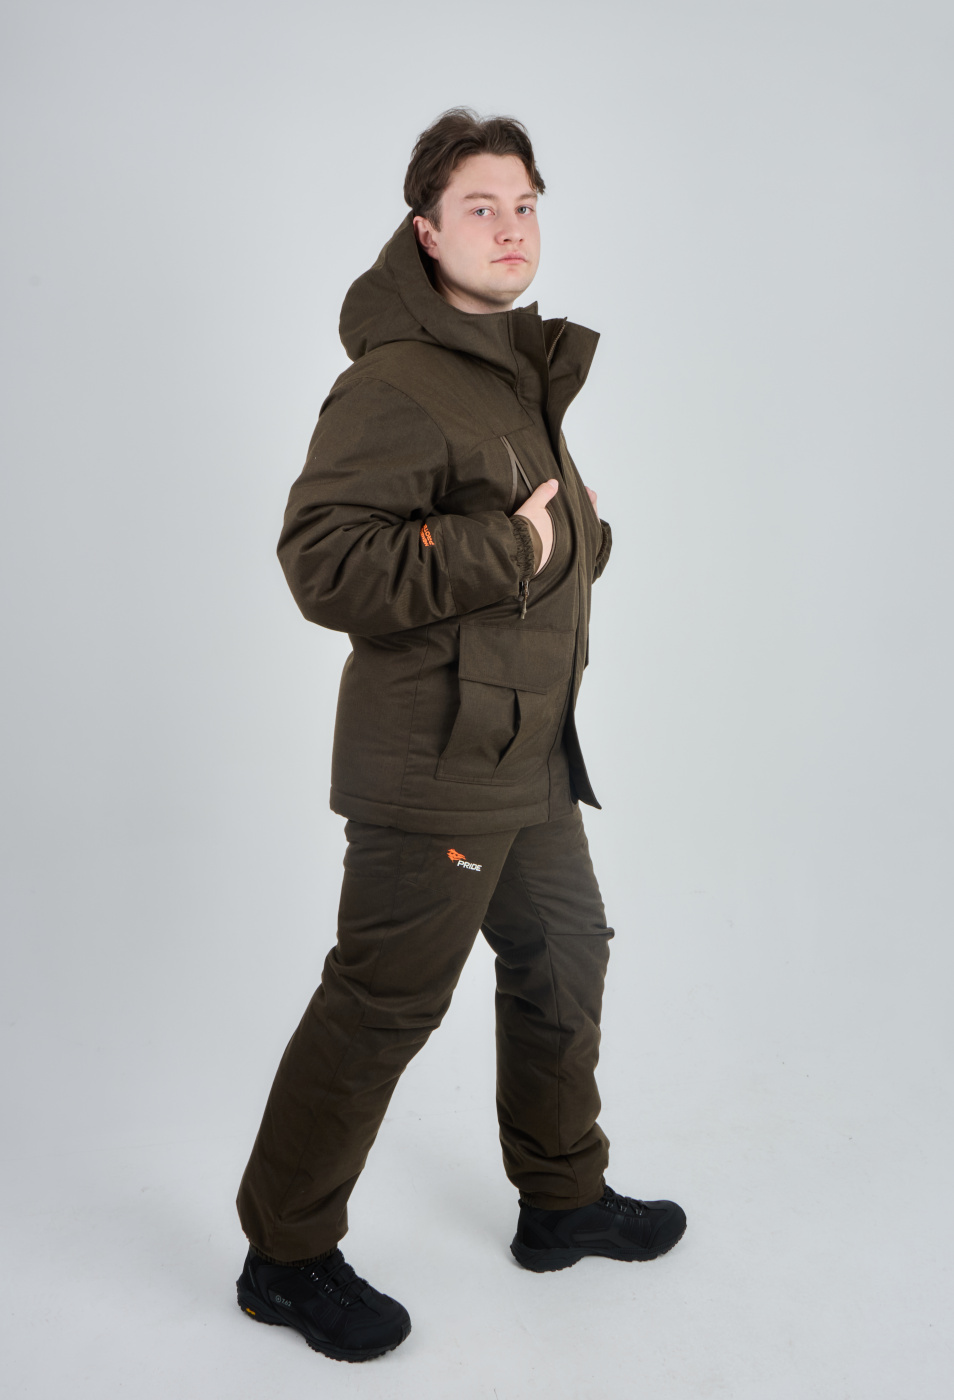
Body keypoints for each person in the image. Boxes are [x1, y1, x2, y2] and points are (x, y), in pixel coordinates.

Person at [235, 108, 686, 1363]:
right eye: (480, 207)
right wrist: (519, 544)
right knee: (382, 1002)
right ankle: (284, 1255)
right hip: (434, 762)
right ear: (426, 231)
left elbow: (527, 543)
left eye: (526, 204)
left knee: (565, 954)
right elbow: (326, 563)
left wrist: (579, 536)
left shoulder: (508, 367)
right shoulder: (393, 380)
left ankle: (563, 1197)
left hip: (526, 752)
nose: (510, 227)